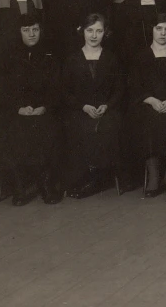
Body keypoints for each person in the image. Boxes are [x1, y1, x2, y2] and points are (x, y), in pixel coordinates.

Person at [0, 13, 61, 205]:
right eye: (26, 30)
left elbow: (56, 87)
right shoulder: (6, 56)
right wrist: (18, 108)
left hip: (42, 111)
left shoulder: (50, 55)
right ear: (19, 32)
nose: (31, 34)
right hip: (15, 111)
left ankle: (45, 184)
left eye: (35, 29)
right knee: (12, 131)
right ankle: (19, 186)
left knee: (47, 129)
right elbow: (0, 89)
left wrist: (44, 107)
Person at [61, 13, 124, 199]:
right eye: (90, 31)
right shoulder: (72, 59)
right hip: (80, 109)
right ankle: (82, 177)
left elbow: (120, 89)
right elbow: (65, 92)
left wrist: (107, 105)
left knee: (107, 127)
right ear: (82, 32)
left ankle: (98, 178)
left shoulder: (112, 58)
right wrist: (83, 106)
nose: (94, 35)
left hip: (107, 109)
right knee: (78, 127)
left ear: (105, 33)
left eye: (99, 31)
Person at [128, 14, 166, 197]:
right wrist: (153, 100)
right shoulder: (140, 56)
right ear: (152, 30)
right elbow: (135, 86)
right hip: (148, 103)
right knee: (148, 119)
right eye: (159, 28)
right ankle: (154, 176)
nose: (163, 33)